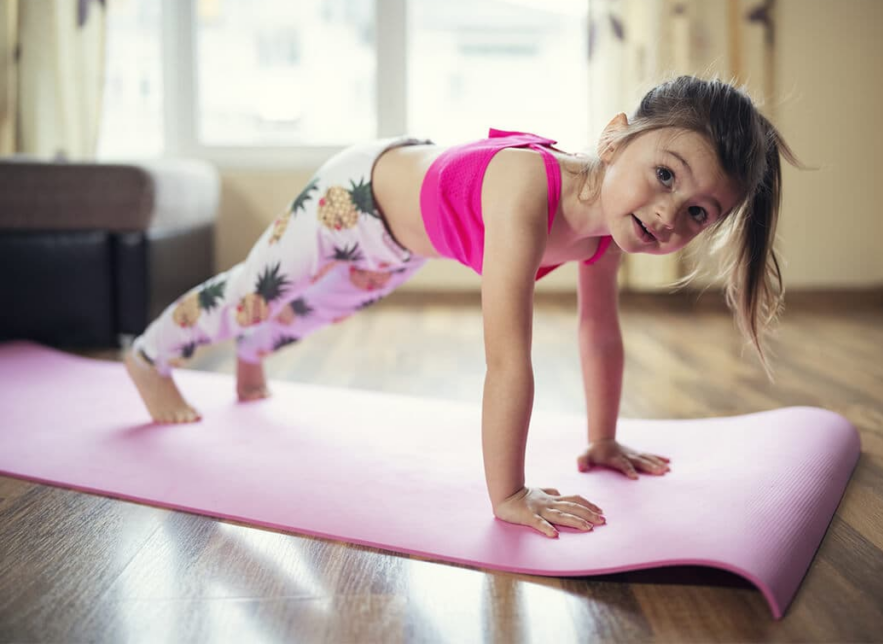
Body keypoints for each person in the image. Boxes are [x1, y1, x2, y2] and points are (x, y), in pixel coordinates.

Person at [125, 74, 799, 538]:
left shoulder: (606, 235)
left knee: (316, 310)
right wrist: (507, 494)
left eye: (698, 211)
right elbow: (507, 358)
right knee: (255, 293)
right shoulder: (525, 188)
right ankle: (150, 355)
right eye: (664, 175)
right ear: (616, 139)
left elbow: (599, 335)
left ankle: (251, 359)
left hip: (396, 242)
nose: (666, 213)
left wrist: (600, 440)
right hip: (354, 194)